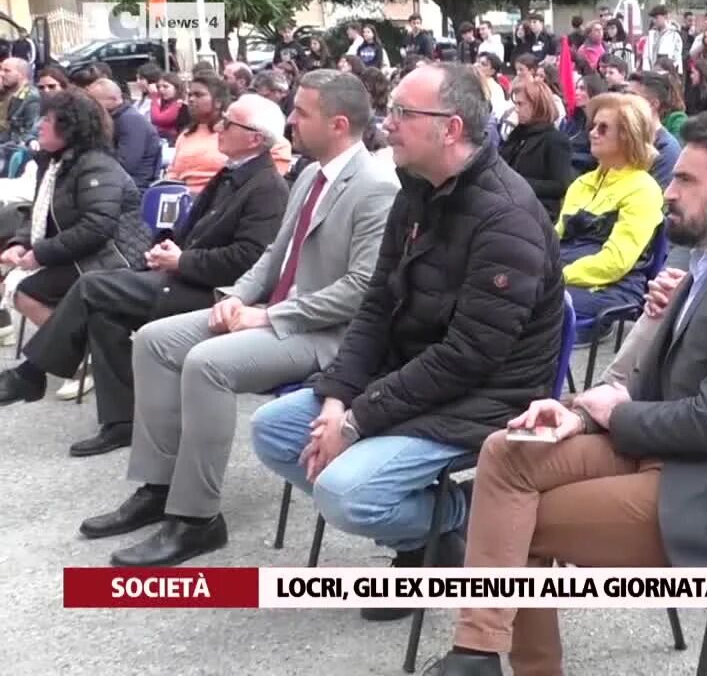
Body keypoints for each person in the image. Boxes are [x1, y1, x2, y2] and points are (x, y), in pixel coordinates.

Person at [425, 114, 707, 676]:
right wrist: (579, 413)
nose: (668, 191)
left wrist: (616, 413)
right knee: (507, 452)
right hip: (670, 452)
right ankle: (479, 653)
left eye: (685, 180)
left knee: (517, 522)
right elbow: (658, 382)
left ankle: (497, 660)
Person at [252, 64, 563, 615]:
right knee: (273, 431)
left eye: (402, 112)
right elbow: (375, 306)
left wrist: (357, 420)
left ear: (450, 128)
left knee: (346, 492)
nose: (386, 123)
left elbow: (469, 357)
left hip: (485, 398)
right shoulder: (417, 190)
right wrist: (337, 398)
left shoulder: (506, 217)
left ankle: (462, 515)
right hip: (409, 379)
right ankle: (426, 543)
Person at [76, 70, 399, 567]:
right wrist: (235, 297)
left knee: (207, 364)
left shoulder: (376, 187)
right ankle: (158, 488)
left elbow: (359, 291)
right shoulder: (310, 175)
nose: (290, 121)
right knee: (155, 341)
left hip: (325, 334)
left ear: (337, 124)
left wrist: (268, 315)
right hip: (278, 314)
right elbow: (275, 254)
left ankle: (197, 519)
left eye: (301, 113)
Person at [0, 94, 288, 454]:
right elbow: (192, 231)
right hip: (185, 277)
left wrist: (181, 261)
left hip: (217, 295)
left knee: (92, 287)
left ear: (255, 138)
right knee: (104, 313)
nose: (219, 127)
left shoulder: (267, 188)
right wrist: (165, 248)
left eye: (229, 123)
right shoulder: (233, 173)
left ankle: (31, 374)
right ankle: (122, 422)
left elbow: (251, 261)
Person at [0, 90, 150, 336]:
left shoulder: (97, 165)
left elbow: (97, 227)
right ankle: (71, 347)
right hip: (83, 251)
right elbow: (39, 214)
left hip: (114, 255)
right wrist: (20, 243)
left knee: (27, 291)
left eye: (48, 120)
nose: (40, 126)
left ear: (70, 127)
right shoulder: (53, 164)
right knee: (12, 274)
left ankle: (81, 348)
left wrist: (40, 254)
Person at [557, 92, 664, 324]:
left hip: (613, 288)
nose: (592, 133)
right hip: (563, 276)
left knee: (535, 301)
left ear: (628, 136)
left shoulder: (643, 189)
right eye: (593, 126)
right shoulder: (581, 183)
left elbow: (615, 263)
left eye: (603, 128)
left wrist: (556, 276)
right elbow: (554, 238)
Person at [501, 80, 573, 219]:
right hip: (510, 202)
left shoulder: (554, 140)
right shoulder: (517, 135)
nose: (516, 109)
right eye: (516, 104)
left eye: (521, 104)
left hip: (538, 210)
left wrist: (517, 183)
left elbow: (559, 185)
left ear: (537, 106)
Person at [86, 78, 162, 190]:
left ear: (114, 99)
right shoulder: (115, 118)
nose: (92, 107)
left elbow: (126, 164)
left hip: (133, 187)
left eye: (95, 102)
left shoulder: (131, 121)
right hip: (118, 183)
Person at [163, 75, 231, 194]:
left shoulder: (233, 133)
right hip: (184, 197)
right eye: (189, 95)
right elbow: (173, 173)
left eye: (198, 95)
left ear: (218, 102)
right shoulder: (185, 135)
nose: (191, 99)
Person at [623, 73, 682, 189]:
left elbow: (660, 198)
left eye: (632, 96)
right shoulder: (624, 140)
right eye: (624, 94)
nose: (623, 100)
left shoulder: (666, 150)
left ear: (653, 104)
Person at [560, 72, 608, 175]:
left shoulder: (602, 122)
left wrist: (569, 156)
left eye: (582, 89)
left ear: (594, 92)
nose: (576, 92)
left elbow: (597, 157)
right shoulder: (573, 119)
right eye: (576, 88)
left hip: (585, 171)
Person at [0, 57, 40, 149]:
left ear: (21, 74)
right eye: (1, 70)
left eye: (7, 71)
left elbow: (29, 131)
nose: (1, 74)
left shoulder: (31, 97)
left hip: (12, 147)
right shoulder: (7, 93)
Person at [149, 72, 189, 146]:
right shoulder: (163, 103)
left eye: (165, 86)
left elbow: (158, 119)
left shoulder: (180, 103)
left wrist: (154, 97)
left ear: (176, 88)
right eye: (159, 87)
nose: (161, 90)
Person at [642, 5, 684, 73]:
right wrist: (646, 71)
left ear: (665, 17)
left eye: (656, 18)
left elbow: (676, 57)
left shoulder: (674, 35)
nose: (654, 21)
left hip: (667, 73)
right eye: (653, 18)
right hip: (651, 73)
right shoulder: (651, 35)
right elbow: (646, 56)